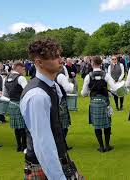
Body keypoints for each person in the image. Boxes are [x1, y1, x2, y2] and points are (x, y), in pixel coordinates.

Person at [20, 38, 83, 179]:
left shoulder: (52, 86)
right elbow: (43, 144)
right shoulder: (37, 95)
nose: (60, 60)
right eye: (54, 56)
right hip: (45, 166)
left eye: (59, 55)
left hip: (60, 158)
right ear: (38, 62)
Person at [81, 56, 117, 153]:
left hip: (94, 102)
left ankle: (101, 147)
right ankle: (107, 145)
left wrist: (89, 91)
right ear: (101, 63)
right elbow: (114, 87)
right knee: (107, 124)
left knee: (97, 125)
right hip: (105, 102)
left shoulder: (88, 76)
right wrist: (109, 92)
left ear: (92, 63)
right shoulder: (106, 75)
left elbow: (83, 93)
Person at [56, 64, 74, 150]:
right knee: (64, 126)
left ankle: (61, 144)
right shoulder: (60, 76)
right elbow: (68, 89)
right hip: (61, 102)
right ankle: (61, 144)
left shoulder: (48, 74)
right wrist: (71, 85)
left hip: (51, 101)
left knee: (56, 124)